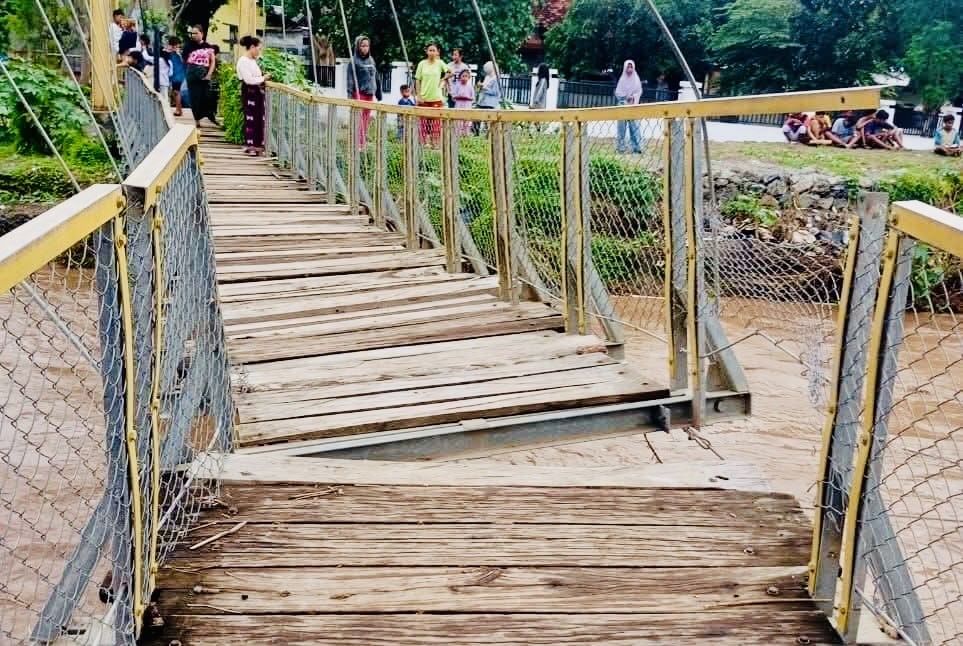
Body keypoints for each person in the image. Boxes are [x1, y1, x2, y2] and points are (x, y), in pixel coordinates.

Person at [236, 35, 270, 156]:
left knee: (259, 118)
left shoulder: (253, 61)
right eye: (258, 49)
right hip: (249, 92)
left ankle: (258, 146)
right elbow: (249, 79)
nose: (259, 52)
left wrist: (262, 78)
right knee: (251, 118)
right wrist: (263, 78)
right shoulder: (243, 61)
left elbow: (255, 76)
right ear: (252, 47)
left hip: (257, 92)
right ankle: (251, 146)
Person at [346, 35, 382, 148]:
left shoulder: (371, 60)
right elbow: (350, 79)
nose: (365, 48)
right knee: (359, 119)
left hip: (369, 94)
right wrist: (350, 96)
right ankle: (355, 143)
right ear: (358, 47)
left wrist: (379, 93)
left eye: (367, 46)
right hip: (359, 93)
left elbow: (376, 77)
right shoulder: (353, 61)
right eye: (362, 46)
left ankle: (362, 143)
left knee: (366, 119)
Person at [183, 25, 218, 128]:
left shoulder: (208, 46)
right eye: (192, 33)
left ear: (202, 33)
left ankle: (211, 116)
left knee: (207, 96)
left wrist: (209, 74)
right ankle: (196, 119)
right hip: (192, 74)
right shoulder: (188, 46)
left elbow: (212, 61)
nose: (193, 35)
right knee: (195, 97)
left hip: (204, 73)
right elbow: (185, 60)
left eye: (196, 33)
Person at [415, 43, 446, 145]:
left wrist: (443, 79)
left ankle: (435, 144)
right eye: (430, 50)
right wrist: (418, 95)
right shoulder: (422, 64)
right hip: (424, 98)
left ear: (437, 52)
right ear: (426, 51)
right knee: (423, 123)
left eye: (434, 50)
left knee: (436, 124)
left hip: (436, 98)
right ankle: (423, 144)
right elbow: (418, 80)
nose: (432, 52)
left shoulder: (440, 63)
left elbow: (450, 72)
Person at [614, 60, 642, 154]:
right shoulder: (622, 80)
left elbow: (639, 91)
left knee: (634, 127)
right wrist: (625, 97)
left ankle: (637, 147)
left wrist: (633, 97)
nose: (629, 69)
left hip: (633, 106)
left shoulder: (636, 79)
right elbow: (618, 93)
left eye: (631, 67)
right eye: (628, 67)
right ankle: (621, 147)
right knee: (621, 128)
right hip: (623, 105)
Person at [450, 68, 475, 135]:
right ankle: (457, 136)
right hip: (459, 105)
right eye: (463, 76)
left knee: (467, 123)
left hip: (467, 106)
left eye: (466, 76)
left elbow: (473, 98)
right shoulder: (457, 85)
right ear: (460, 77)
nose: (464, 78)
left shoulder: (470, 86)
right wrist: (458, 97)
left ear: (469, 77)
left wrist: (467, 98)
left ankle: (466, 136)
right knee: (458, 123)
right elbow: (453, 96)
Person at [166, 36, 185, 116]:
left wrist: (178, 53)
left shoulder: (179, 53)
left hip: (178, 75)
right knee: (175, 92)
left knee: (176, 92)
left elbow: (183, 61)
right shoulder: (171, 53)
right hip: (175, 75)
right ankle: (178, 109)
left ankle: (179, 110)